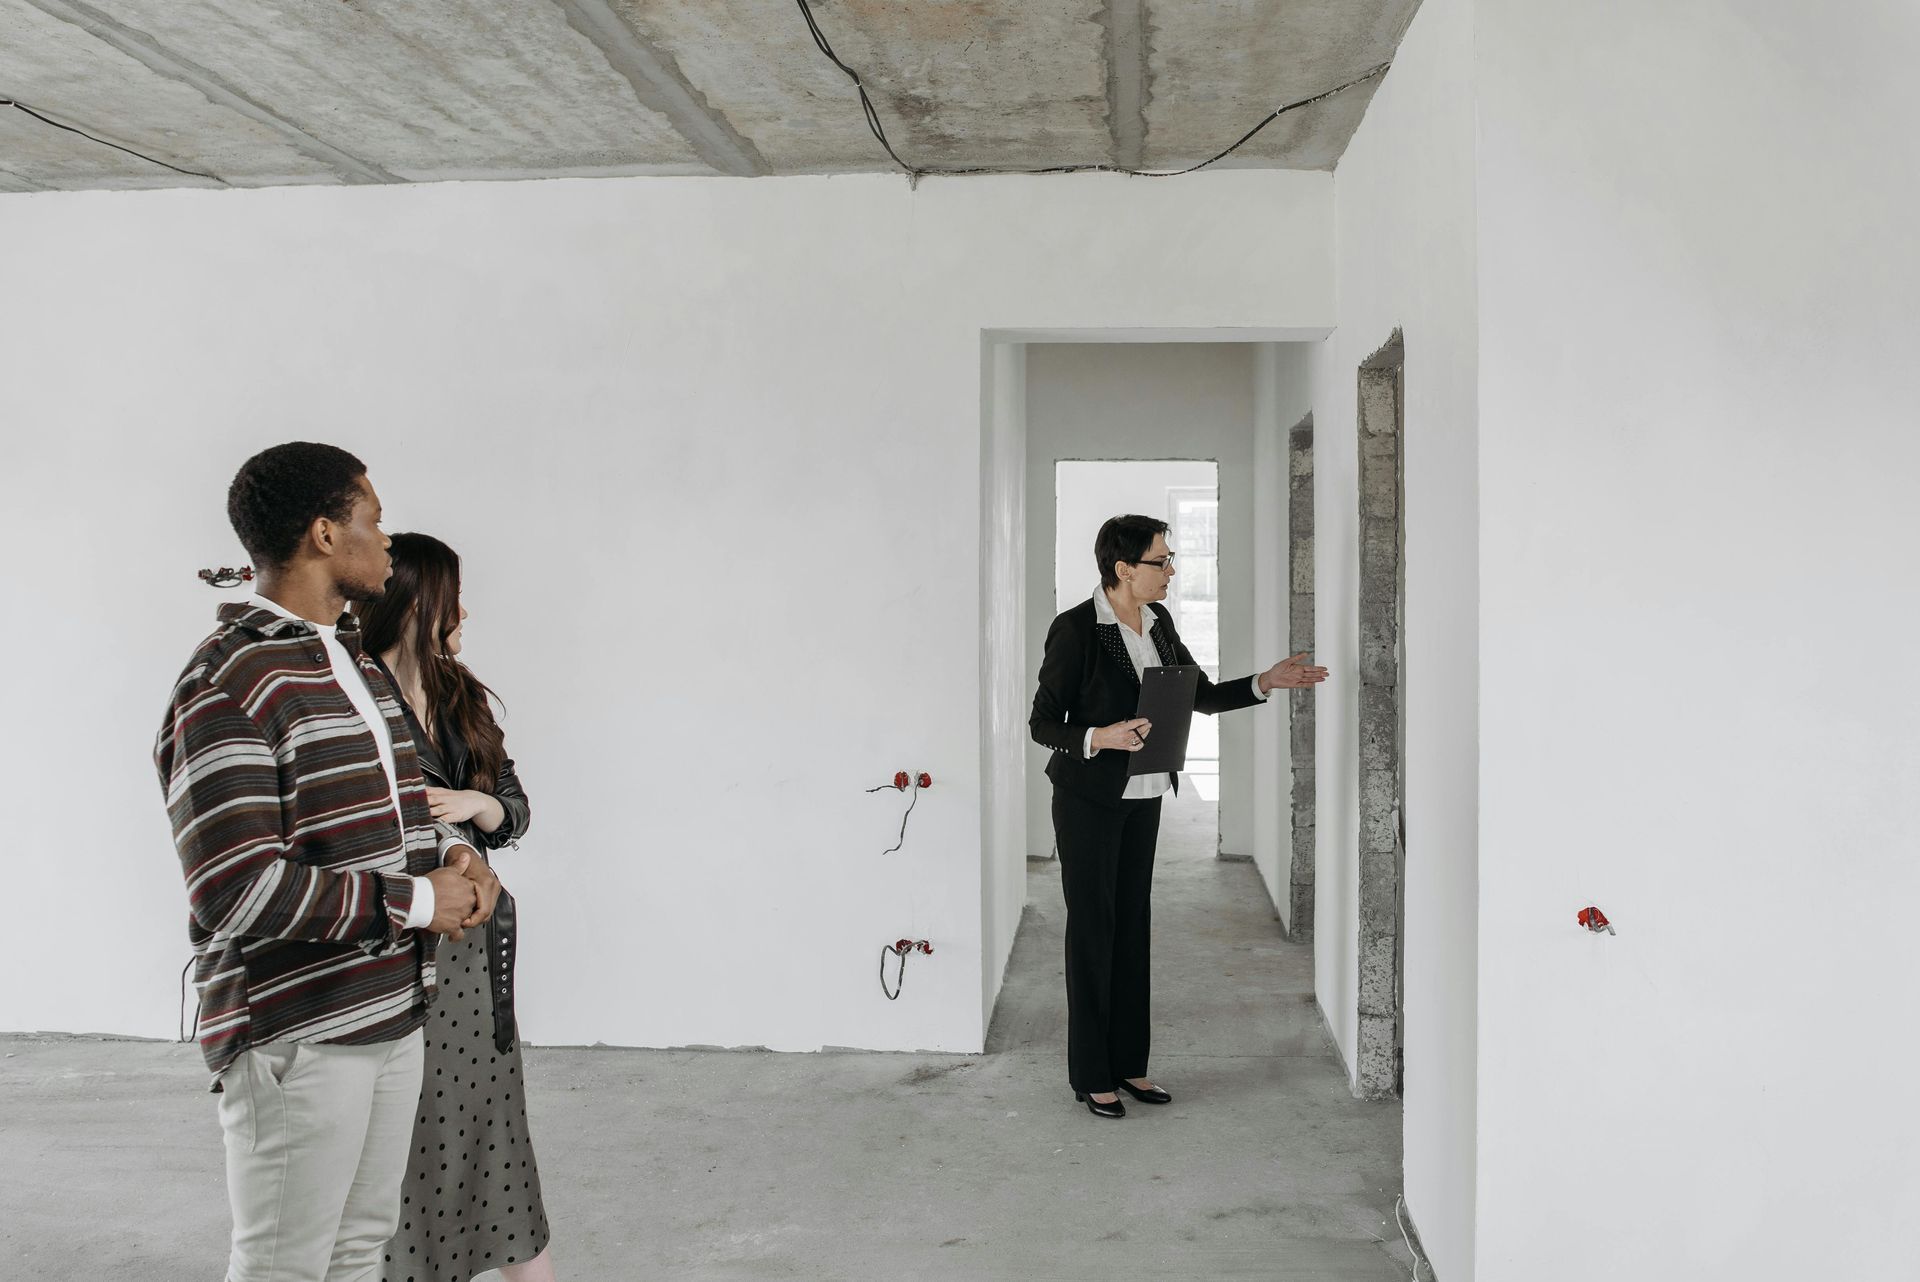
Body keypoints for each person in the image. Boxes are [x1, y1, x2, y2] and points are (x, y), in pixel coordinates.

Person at [155, 442, 500, 1281]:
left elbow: (400, 805)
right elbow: (238, 890)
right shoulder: (226, 685)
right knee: (283, 1264)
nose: (387, 541)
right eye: (372, 521)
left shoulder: (351, 661)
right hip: (297, 1034)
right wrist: (422, 902)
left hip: (390, 1010)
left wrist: (459, 853)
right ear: (322, 534)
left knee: (355, 1252)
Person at [1029, 514, 1328, 1119]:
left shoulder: (1160, 624)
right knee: (1093, 932)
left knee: (1132, 928)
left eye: (1169, 561)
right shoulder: (1077, 629)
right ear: (1122, 569)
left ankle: (1129, 1066)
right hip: (1088, 801)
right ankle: (1092, 1075)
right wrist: (1099, 737)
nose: (1169, 572)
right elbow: (1042, 724)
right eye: (1160, 562)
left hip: (1143, 798)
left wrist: (1264, 683)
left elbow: (1201, 694)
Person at [356, 534, 554, 1282]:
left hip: (475, 943)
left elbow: (517, 810)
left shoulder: (460, 693)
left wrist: (478, 804)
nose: (462, 610)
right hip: (404, 936)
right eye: (450, 595)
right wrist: (456, 836)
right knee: (415, 1134)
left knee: (492, 1123)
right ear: (412, 603)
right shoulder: (358, 692)